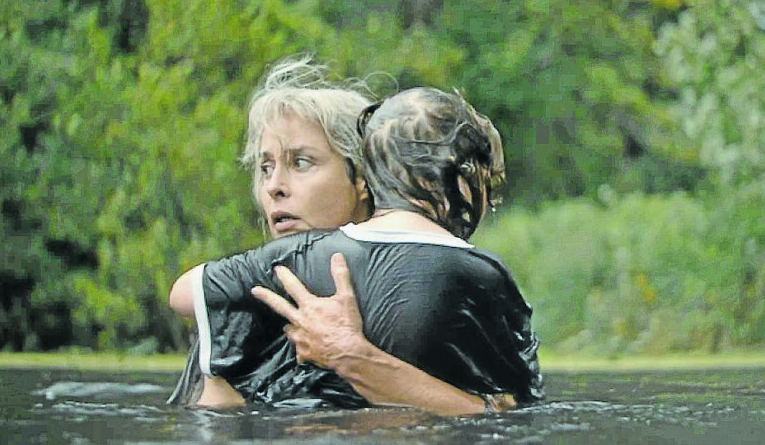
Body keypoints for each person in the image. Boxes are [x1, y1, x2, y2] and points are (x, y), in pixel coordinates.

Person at [168, 86, 543, 414]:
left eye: (301, 163)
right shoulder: (240, 313)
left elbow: (506, 413)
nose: (274, 187)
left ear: (366, 178)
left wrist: (354, 357)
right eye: (265, 168)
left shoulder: (446, 286)